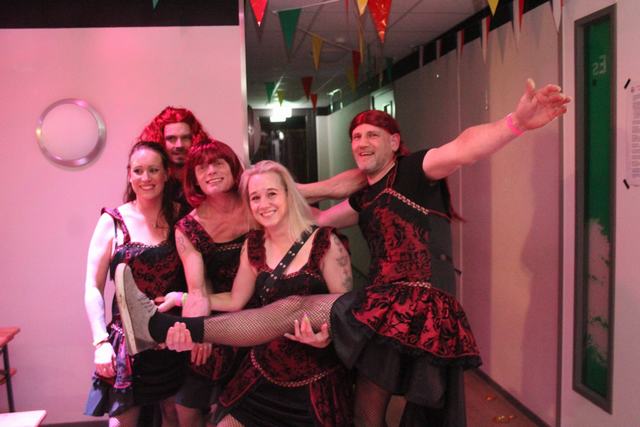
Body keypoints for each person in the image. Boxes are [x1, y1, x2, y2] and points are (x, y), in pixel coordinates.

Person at [114, 79, 571, 426]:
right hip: (376, 308)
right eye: (356, 137)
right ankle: (161, 328)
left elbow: (464, 147)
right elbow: (313, 216)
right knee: (364, 412)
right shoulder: (364, 198)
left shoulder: (415, 170)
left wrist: (516, 123)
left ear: (395, 142)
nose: (362, 143)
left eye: (373, 134)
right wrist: (264, 193)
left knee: (300, 311)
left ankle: (158, 328)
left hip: (411, 304)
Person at [83, 141, 187, 426]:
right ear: (129, 175)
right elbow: (92, 286)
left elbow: (199, 280)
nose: (146, 177)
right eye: (138, 170)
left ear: (166, 174)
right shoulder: (112, 221)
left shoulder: (182, 218)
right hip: (126, 343)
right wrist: (100, 342)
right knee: (122, 422)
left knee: (174, 418)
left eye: (153, 170)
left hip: (174, 337)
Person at [157, 139, 253, 427]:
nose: (211, 171)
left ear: (233, 168)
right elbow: (197, 288)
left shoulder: (257, 204)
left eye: (218, 163)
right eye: (201, 168)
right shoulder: (188, 227)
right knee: (187, 405)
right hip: (220, 311)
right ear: (194, 179)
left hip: (267, 308)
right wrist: (202, 331)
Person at [138, 106, 212, 216]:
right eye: (171, 139)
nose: (179, 145)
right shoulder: (149, 181)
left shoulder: (208, 177)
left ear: (195, 139)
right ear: (160, 141)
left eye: (185, 138)